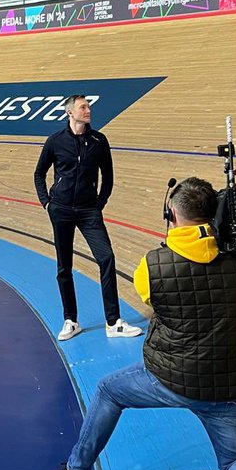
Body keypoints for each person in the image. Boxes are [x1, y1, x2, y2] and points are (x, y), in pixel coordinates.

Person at [48, 176, 236, 470]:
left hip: (170, 380)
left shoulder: (151, 266)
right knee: (233, 462)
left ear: (171, 214)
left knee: (110, 391)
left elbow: (150, 297)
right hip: (234, 387)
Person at [34, 93, 143, 342]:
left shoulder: (99, 141)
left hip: (88, 211)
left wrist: (99, 203)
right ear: (69, 113)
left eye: (88, 107)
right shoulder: (55, 141)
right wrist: (46, 203)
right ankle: (71, 320)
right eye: (83, 107)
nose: (88, 111)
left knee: (106, 258)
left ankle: (113, 322)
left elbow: (108, 177)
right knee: (64, 266)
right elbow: (39, 174)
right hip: (60, 209)